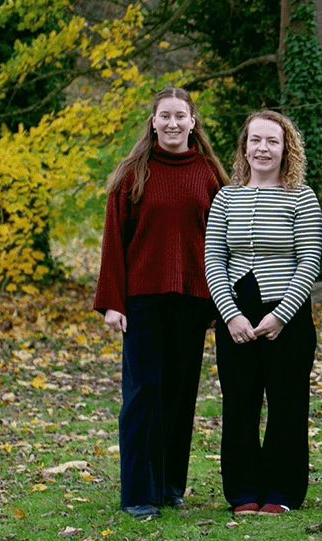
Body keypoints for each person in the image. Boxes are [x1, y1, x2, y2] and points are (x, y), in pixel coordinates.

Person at [95, 87, 229, 518]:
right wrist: (113, 302)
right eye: (165, 116)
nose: (173, 123)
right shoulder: (133, 172)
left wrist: (220, 301)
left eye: (180, 116)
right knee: (142, 394)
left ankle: (171, 484)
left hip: (192, 301)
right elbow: (113, 242)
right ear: (153, 121)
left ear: (193, 122)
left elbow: (223, 239)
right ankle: (139, 492)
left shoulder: (209, 174)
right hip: (142, 302)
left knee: (179, 393)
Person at [205, 110, 322, 516]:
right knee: (239, 406)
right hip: (236, 315)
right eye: (256, 140)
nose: (263, 148)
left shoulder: (302, 196)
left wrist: (280, 316)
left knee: (287, 405)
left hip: (285, 318)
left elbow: (310, 260)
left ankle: (281, 492)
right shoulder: (226, 197)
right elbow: (213, 259)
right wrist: (231, 315)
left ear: (285, 148)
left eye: (272, 141)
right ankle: (242, 492)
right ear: (244, 147)